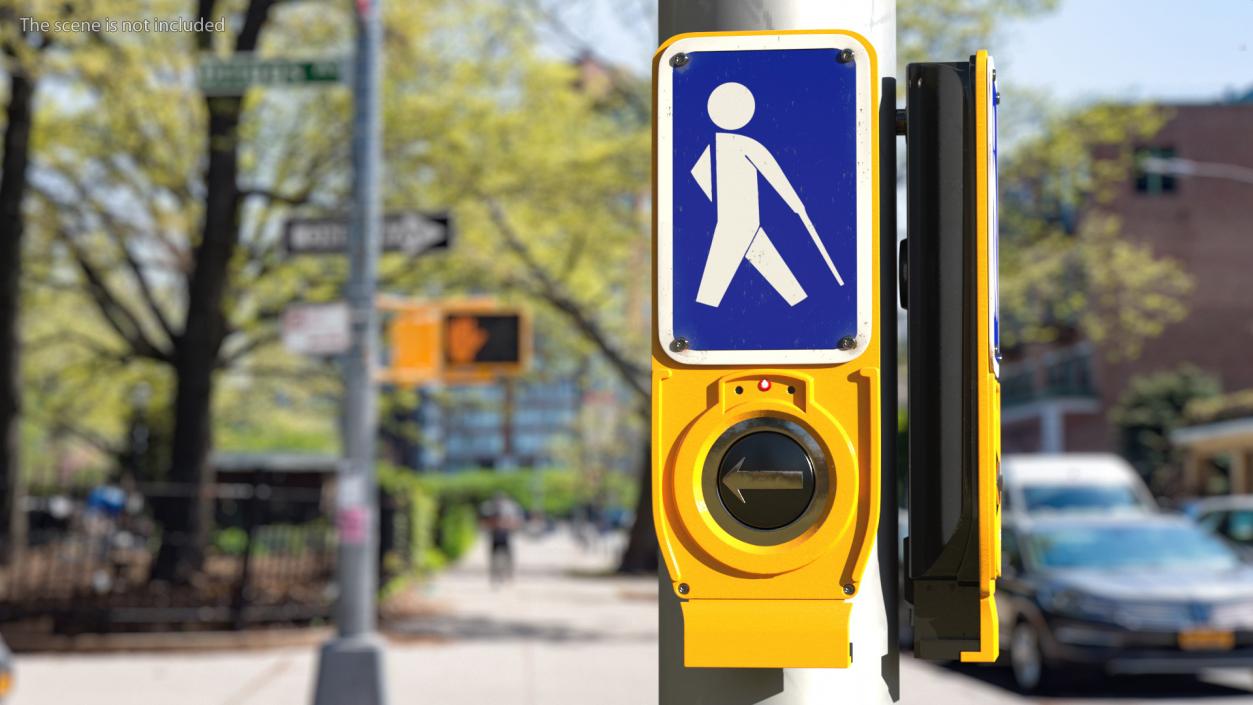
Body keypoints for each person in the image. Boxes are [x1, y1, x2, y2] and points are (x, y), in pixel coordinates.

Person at [481, 491, 523, 586]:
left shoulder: (510, 508)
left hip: (505, 534)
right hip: (495, 535)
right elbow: (484, 521)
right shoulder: (489, 508)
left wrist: (508, 525)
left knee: (507, 557)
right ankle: (495, 576)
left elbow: (516, 521)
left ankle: (508, 575)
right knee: (494, 558)